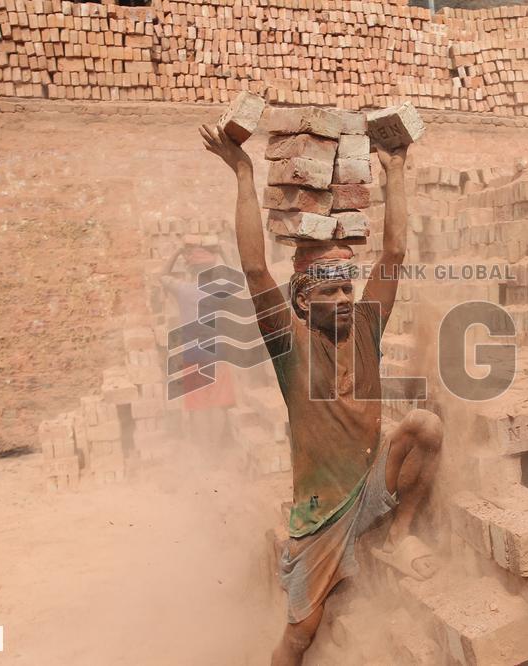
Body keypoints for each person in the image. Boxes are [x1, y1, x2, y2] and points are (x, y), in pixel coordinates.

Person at [200, 123, 444, 665]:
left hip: (369, 489)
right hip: (322, 517)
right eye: (328, 290)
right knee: (298, 636)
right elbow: (254, 267)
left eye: (346, 288)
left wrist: (396, 171)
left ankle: (399, 533)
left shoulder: (365, 326)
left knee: (425, 427)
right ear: (303, 301)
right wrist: (243, 173)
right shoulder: (291, 344)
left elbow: (395, 255)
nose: (342, 297)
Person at [160, 243, 236, 449]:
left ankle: (208, 454)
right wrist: (222, 252)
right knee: (219, 405)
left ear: (191, 270)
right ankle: (218, 450)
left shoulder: (183, 290)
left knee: (199, 407)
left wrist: (176, 251)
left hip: (192, 355)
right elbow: (238, 278)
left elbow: (163, 276)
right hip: (217, 354)